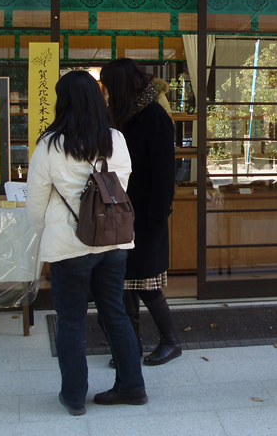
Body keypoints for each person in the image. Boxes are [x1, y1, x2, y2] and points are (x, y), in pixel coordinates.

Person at [26, 70, 147, 415]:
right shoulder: (115, 139)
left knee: (70, 320)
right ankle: (132, 386)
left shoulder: (51, 144)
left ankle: (75, 395)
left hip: (69, 244)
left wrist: (46, 230)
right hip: (112, 242)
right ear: (98, 99)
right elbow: (121, 184)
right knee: (116, 313)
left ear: (62, 101)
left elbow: (36, 202)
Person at [100, 59, 180, 366]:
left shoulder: (153, 116)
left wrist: (158, 216)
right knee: (123, 282)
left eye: (108, 85)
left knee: (147, 283)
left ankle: (170, 341)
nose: (106, 92)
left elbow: (165, 173)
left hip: (147, 215)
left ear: (120, 85)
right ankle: (131, 345)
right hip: (120, 212)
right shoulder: (120, 114)